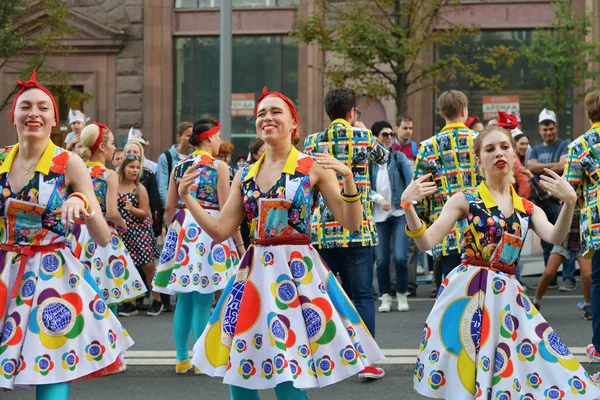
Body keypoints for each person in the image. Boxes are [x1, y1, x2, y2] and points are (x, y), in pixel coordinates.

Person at [183, 87, 383, 399]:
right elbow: (221, 230)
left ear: (293, 124)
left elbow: (351, 222)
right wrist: (187, 199)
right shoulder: (244, 175)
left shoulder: (311, 167)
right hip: (254, 275)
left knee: (290, 368)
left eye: (276, 112)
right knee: (242, 366)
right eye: (261, 113)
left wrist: (347, 178)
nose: (267, 118)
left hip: (296, 275)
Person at [404, 113, 600, 399]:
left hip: (507, 295)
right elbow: (426, 241)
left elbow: (556, 237)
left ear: (514, 155)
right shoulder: (465, 200)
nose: (499, 153)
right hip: (467, 293)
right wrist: (408, 206)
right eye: (490, 149)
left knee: (519, 362)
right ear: (478, 160)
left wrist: (570, 201)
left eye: (505, 147)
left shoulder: (527, 207)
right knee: (467, 369)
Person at [0, 70, 133, 398]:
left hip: (52, 276)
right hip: (6, 271)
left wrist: (81, 201)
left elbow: (102, 236)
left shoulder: (69, 162)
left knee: (52, 361)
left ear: (53, 118)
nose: (34, 113)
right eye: (26, 106)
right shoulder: (1, 158)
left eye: (43, 108)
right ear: (14, 114)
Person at [304, 87, 389, 380]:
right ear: (352, 112)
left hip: (322, 232)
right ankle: (366, 362)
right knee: (363, 295)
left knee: (326, 297)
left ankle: (326, 358)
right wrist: (362, 129)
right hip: (358, 229)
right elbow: (384, 157)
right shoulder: (364, 137)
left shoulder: (312, 141)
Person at [153, 119, 243, 375]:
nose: (219, 142)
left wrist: (176, 231)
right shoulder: (219, 167)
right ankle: (200, 359)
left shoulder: (179, 166)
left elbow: (169, 206)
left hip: (183, 229)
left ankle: (182, 358)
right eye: (217, 137)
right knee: (204, 298)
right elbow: (227, 209)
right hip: (208, 229)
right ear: (209, 138)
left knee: (184, 298)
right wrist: (238, 244)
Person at [67, 122, 147, 314]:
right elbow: (112, 212)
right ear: (102, 147)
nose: (113, 147)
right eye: (111, 143)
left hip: (77, 234)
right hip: (101, 232)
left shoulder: (76, 170)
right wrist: (122, 224)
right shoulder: (109, 175)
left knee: (78, 289)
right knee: (106, 291)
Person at [413, 90, 479, 280]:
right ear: (464, 110)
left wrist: (427, 220)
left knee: (454, 292)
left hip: (445, 229)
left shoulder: (428, 146)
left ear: (441, 113)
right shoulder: (479, 141)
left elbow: (420, 191)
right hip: (482, 226)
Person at [562, 90, 600, 365]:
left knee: (598, 283)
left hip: (597, 226)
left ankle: (599, 344)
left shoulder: (580, 145)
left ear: (588, 115)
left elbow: (569, 189)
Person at [527, 109, 576, 291]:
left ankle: (569, 278)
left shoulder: (565, 145)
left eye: (551, 128)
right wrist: (553, 167)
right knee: (546, 240)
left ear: (556, 128)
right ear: (540, 130)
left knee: (566, 239)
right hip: (542, 202)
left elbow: (564, 164)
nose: (548, 132)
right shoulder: (536, 149)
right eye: (544, 129)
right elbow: (530, 167)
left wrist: (540, 168)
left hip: (560, 201)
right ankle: (552, 277)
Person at [370, 121, 412, 312]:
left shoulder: (398, 157)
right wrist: (378, 199)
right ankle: (385, 296)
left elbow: (411, 181)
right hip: (378, 216)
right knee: (381, 260)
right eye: (384, 135)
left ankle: (402, 294)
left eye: (390, 135)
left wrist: (408, 203)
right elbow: (362, 186)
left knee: (401, 257)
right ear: (375, 138)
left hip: (399, 213)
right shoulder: (368, 161)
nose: (388, 138)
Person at [117, 154, 163, 316]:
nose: (135, 170)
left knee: (149, 267)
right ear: (123, 167)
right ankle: (132, 303)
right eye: (131, 167)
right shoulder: (114, 185)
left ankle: (157, 299)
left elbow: (145, 213)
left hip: (140, 232)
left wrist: (132, 209)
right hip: (123, 233)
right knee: (127, 267)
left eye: (137, 167)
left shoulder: (139, 189)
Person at [392, 116, 423, 293]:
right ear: (397, 128)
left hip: (412, 201)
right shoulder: (391, 148)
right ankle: (394, 282)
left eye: (410, 128)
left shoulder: (414, 148)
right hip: (395, 202)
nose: (408, 132)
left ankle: (410, 283)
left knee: (412, 243)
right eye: (405, 128)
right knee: (393, 246)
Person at [157, 121, 193, 210]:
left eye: (193, 136)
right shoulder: (166, 157)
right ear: (179, 136)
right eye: (188, 136)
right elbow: (162, 188)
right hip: (175, 209)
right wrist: (171, 210)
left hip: (191, 210)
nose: (191, 139)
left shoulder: (195, 157)